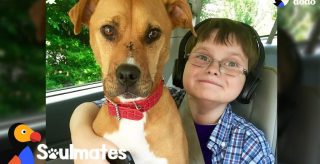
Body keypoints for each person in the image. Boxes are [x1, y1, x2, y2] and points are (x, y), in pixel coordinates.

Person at [70, 18, 275, 163]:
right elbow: (93, 108)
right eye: (202, 57)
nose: (213, 69)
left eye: (231, 63)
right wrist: (83, 138)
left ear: (248, 83)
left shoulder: (249, 143)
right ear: (181, 66)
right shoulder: (159, 99)